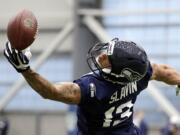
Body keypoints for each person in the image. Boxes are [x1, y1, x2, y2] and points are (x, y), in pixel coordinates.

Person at [4, 38, 180, 135]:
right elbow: (164, 71)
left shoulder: (93, 89)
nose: (101, 55)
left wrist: (25, 69)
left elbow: (51, 92)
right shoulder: (140, 74)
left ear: (121, 73)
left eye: (107, 58)